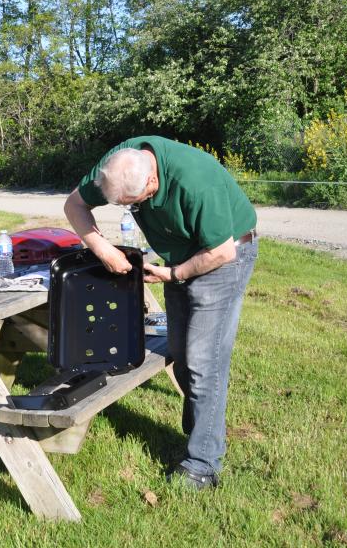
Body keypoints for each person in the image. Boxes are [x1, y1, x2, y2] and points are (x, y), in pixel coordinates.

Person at [63, 136, 257, 490]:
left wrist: (175, 274)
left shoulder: (196, 182)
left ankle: (203, 464)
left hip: (224, 255)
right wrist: (102, 249)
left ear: (151, 183)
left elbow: (221, 253)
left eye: (132, 204)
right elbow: (74, 205)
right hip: (180, 255)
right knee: (181, 353)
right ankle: (202, 426)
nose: (128, 210)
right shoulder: (117, 165)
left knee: (204, 360)